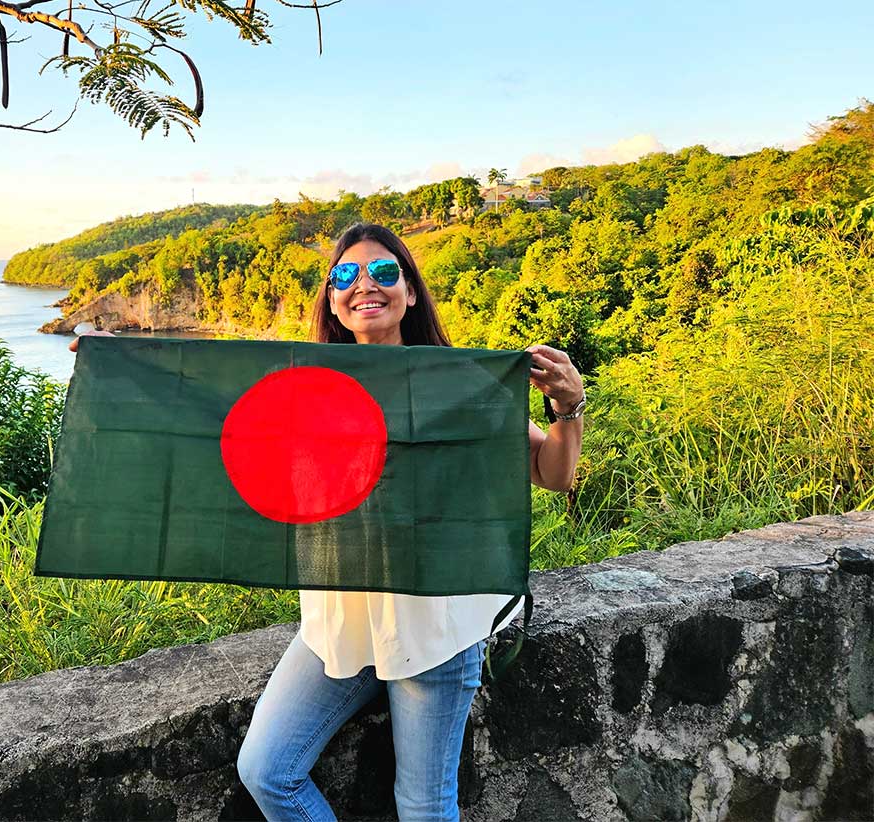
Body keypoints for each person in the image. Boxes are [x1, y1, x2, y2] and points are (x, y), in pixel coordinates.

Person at [71, 222, 585, 821]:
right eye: (345, 275)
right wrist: (119, 363)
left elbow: (551, 473)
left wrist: (567, 406)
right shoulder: (304, 390)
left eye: (385, 272)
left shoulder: (456, 382)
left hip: (432, 626)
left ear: (411, 293)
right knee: (266, 771)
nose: (365, 284)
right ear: (333, 301)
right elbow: (206, 412)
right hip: (339, 618)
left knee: (423, 806)